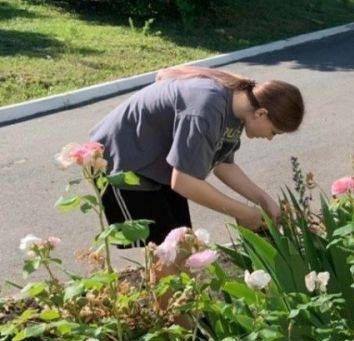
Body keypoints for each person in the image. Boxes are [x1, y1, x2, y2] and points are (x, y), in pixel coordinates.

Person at [89, 66, 304, 244]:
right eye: (274, 132)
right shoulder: (207, 108)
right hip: (122, 162)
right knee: (166, 253)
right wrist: (243, 212)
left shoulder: (237, 111)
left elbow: (222, 164)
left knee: (182, 246)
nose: (270, 138)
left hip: (159, 165)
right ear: (261, 113)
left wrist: (262, 199)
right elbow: (183, 181)